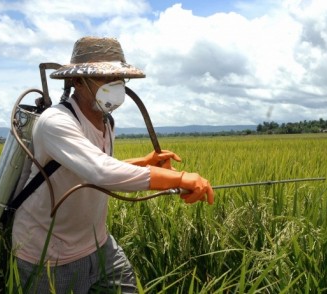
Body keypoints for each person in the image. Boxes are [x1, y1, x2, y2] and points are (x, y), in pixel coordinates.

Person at [12, 36, 214, 293]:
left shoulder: (106, 121)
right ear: (77, 81)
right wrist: (179, 178)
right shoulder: (56, 122)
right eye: (105, 78)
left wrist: (144, 163)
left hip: (98, 244)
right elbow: (100, 171)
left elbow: (92, 166)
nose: (115, 85)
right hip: (49, 253)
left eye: (118, 78)